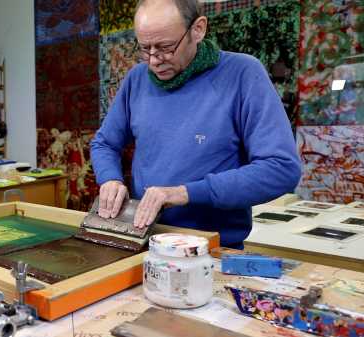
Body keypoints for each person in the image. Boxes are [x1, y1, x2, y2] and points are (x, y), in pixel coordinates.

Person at [90, 0, 301, 249]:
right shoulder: (137, 79)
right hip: (145, 241)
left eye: (166, 47)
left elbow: (281, 169)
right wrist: (110, 179)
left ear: (198, 29)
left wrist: (184, 193)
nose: (154, 60)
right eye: (145, 49)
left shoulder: (243, 74)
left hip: (212, 250)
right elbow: (104, 143)